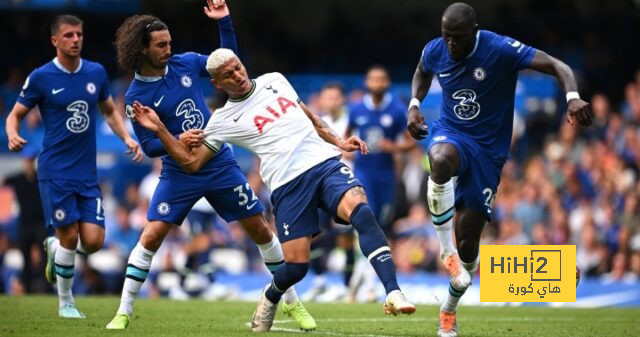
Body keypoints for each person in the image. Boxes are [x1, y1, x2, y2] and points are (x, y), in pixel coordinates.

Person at [131, 47, 417, 333]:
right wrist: (160, 130)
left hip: (324, 166)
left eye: (239, 67)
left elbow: (310, 116)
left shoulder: (275, 80)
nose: (238, 75)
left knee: (362, 213)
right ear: (217, 83)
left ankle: (393, 291)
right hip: (287, 186)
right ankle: (270, 296)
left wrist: (339, 142)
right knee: (296, 267)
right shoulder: (220, 121)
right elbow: (191, 164)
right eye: (228, 75)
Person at [106, 0, 315, 331]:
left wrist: (224, 23)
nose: (168, 49)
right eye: (161, 45)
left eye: (169, 43)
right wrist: (178, 140)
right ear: (142, 49)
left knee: (260, 230)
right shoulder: (135, 97)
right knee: (151, 235)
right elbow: (148, 147)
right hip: (178, 172)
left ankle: (292, 303)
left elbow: (226, 64)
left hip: (218, 162)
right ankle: (124, 310)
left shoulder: (185, 63)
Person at [406, 3, 592, 337]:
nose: (450, 44)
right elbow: (422, 71)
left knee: (469, 250)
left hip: (489, 152)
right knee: (440, 159)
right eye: (446, 36)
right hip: (453, 132)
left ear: (473, 31)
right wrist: (414, 106)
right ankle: (443, 250)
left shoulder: (498, 48)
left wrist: (573, 97)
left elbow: (555, 65)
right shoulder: (436, 49)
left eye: (457, 37)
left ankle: (449, 310)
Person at [5, 14, 142, 318]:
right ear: (55, 40)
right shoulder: (41, 77)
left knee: (93, 242)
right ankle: (66, 302)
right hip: (55, 171)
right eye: (68, 35)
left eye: (79, 34)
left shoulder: (95, 73)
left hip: (87, 173)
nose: (76, 40)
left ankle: (56, 251)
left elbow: (109, 111)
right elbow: (14, 115)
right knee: (69, 237)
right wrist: (13, 134)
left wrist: (126, 138)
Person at [347, 65, 417, 232]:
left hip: (386, 172)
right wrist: (350, 149)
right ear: (367, 82)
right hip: (363, 170)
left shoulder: (397, 109)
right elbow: (346, 137)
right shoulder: (356, 109)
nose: (377, 84)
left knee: (385, 217)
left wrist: (393, 147)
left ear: (387, 82)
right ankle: (363, 255)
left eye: (381, 80)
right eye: (374, 80)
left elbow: (411, 142)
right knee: (366, 213)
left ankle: (384, 253)